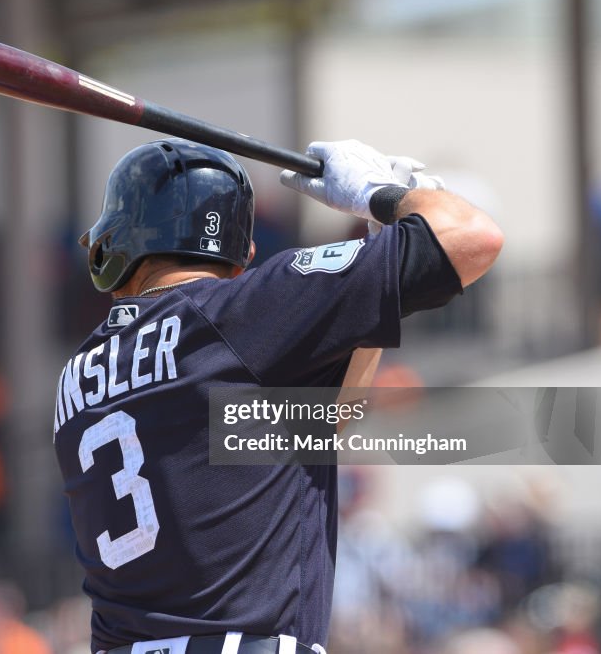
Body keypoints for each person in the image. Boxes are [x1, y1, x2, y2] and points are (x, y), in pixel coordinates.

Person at [51, 138, 503, 654]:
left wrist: (374, 283)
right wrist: (383, 196)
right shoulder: (239, 314)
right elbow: (472, 237)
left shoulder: (78, 373)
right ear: (240, 249)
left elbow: (326, 421)